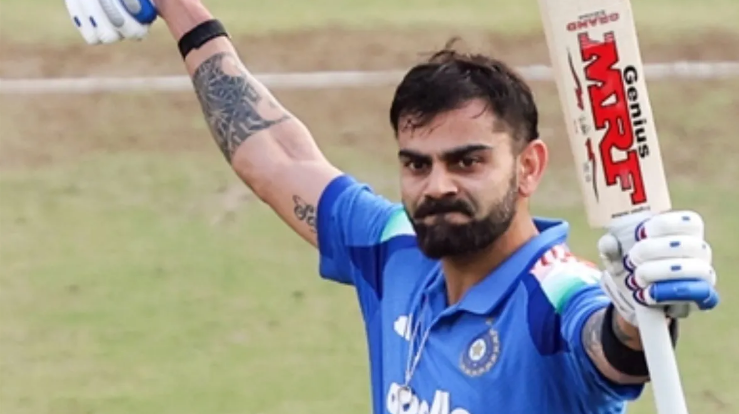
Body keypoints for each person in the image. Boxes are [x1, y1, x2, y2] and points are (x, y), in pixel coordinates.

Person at [67, 1, 720, 413]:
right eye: (416, 163)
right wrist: (178, 6)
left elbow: (610, 349)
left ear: (528, 167)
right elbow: (273, 155)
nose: (437, 186)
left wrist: (637, 312)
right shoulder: (394, 250)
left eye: (467, 161)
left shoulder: (557, 295)